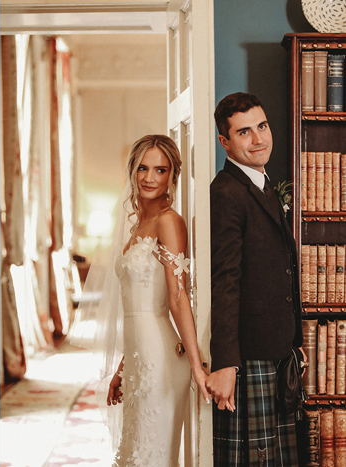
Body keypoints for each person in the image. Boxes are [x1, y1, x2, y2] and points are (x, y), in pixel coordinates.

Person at [84, 134, 210, 466]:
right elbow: (137, 309)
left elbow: (177, 297)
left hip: (162, 360)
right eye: (143, 168)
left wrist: (197, 366)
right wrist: (122, 369)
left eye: (160, 170)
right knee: (137, 451)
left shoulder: (170, 222)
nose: (150, 178)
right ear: (133, 170)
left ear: (172, 176)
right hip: (139, 359)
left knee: (152, 454)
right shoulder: (138, 225)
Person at [207, 92, 304, 466]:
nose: (259, 139)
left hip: (279, 352)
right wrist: (225, 363)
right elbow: (225, 279)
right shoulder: (226, 192)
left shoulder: (262, 183)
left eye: (261, 127)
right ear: (225, 141)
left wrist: (295, 342)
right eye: (244, 132)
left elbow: (279, 270)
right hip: (249, 359)